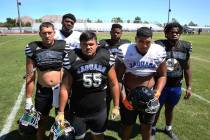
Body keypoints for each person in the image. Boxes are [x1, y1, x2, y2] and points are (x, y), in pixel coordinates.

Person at [55, 31, 120, 140]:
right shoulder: (72, 58)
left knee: (98, 136)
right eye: (85, 44)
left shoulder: (105, 56)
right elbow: (65, 87)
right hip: (78, 110)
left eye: (91, 44)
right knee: (78, 137)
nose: (88, 47)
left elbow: (113, 83)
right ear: (80, 44)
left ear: (97, 44)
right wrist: (61, 112)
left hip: (99, 109)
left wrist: (116, 106)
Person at [116, 27, 167, 140]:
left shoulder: (158, 51)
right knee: (127, 125)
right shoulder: (125, 51)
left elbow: (163, 75)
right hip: (129, 94)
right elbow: (118, 78)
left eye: (148, 42)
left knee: (147, 126)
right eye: (141, 41)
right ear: (135, 39)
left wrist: (157, 92)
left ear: (152, 41)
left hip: (150, 95)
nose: (144, 45)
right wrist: (124, 98)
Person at [24, 22, 67, 140]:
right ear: (39, 34)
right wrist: (28, 99)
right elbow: (30, 75)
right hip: (43, 91)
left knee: (61, 118)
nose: (47, 35)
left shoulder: (63, 46)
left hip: (60, 89)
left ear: (54, 33)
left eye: (49, 33)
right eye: (44, 33)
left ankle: (54, 136)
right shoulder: (32, 48)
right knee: (41, 120)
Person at [152, 22, 192, 140]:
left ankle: (168, 128)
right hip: (160, 85)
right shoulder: (159, 45)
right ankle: (153, 128)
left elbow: (187, 67)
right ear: (166, 33)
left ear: (180, 33)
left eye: (177, 32)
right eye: (172, 32)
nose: (175, 34)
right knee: (156, 108)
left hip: (176, 86)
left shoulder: (185, 47)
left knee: (170, 108)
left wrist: (189, 86)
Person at [99, 23, 130, 121]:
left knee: (123, 101)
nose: (115, 34)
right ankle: (104, 120)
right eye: (114, 32)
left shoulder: (126, 43)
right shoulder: (103, 43)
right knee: (105, 101)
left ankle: (124, 122)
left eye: (118, 33)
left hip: (121, 77)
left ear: (121, 33)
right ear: (110, 32)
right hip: (107, 77)